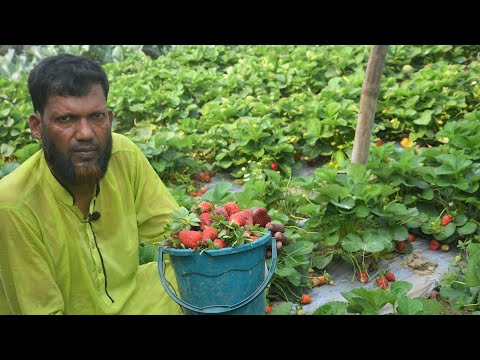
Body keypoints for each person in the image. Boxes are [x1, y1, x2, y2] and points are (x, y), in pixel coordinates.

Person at [0, 53, 289, 315]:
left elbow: (178, 236)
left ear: (109, 118)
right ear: (37, 127)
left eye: (96, 117)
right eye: (66, 119)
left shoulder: (123, 155)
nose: (86, 133)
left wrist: (245, 240)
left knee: (205, 275)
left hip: (133, 299)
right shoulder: (13, 204)